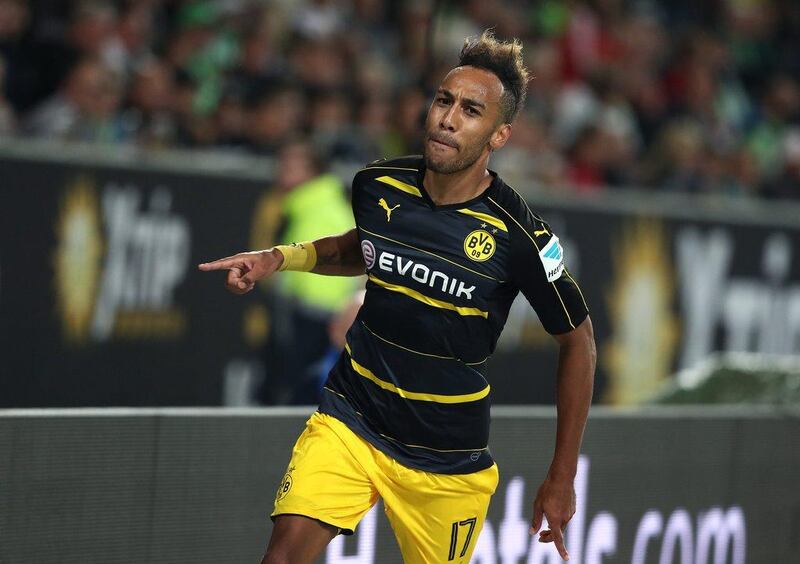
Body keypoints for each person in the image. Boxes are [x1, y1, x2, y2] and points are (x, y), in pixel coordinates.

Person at [200, 30, 595, 564]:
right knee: (284, 555)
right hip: (352, 416)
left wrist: (561, 475)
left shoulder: (522, 236)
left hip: (446, 458)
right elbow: (360, 248)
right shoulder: (377, 184)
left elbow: (579, 344)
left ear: (498, 136)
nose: (448, 118)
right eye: (443, 101)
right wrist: (279, 257)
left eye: (471, 110)